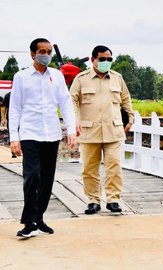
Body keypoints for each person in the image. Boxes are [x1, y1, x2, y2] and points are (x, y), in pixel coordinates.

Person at [9, 38, 77, 237]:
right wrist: (14, 137)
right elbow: (15, 108)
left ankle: (38, 217)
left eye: (48, 51)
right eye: (42, 51)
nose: (46, 55)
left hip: (52, 134)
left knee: (47, 179)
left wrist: (70, 131)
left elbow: (65, 104)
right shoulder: (21, 77)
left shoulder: (56, 76)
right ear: (32, 54)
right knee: (32, 176)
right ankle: (29, 222)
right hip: (30, 132)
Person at [70, 45, 134, 215]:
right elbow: (72, 100)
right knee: (90, 169)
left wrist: (130, 118)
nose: (106, 62)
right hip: (89, 131)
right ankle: (93, 200)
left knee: (114, 166)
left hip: (113, 130)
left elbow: (126, 99)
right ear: (93, 60)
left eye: (109, 59)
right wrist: (74, 121)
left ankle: (113, 199)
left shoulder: (117, 78)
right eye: (102, 59)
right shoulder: (81, 79)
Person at [1, 92, 17, 158]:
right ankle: (13, 152)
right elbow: (4, 107)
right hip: (11, 118)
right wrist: (3, 118)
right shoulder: (8, 95)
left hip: (22, 118)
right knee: (12, 133)